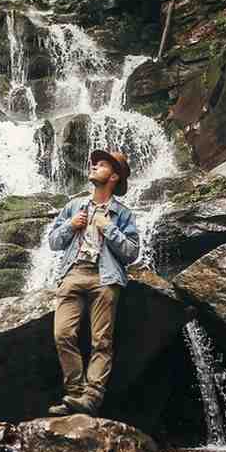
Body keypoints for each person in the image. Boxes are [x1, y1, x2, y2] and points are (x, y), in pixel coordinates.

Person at [47, 148, 140, 416]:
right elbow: (53, 242)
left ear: (114, 177)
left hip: (105, 277)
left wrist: (107, 227)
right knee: (62, 334)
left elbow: (132, 253)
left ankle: (91, 397)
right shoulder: (74, 207)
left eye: (101, 165)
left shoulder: (123, 214)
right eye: (95, 164)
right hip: (73, 273)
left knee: (102, 341)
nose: (94, 167)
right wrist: (71, 225)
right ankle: (74, 394)